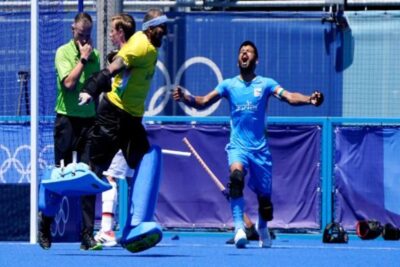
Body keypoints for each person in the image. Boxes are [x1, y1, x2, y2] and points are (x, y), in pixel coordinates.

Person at [172, 40, 324, 249]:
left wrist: (308, 99)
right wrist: (186, 97)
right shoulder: (228, 85)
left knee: (265, 203)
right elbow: (203, 101)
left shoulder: (266, 84)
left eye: (249, 52)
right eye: (241, 51)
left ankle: (262, 229)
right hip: (238, 147)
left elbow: (289, 97)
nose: (244, 54)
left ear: (256, 59)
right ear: (238, 59)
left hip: (260, 151)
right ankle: (239, 229)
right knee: (236, 179)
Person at [79, 8, 168, 252]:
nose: (166, 32)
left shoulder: (150, 46)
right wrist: (91, 88)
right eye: (163, 27)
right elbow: (112, 69)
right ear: (151, 28)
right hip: (113, 115)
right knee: (94, 171)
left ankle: (134, 226)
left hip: (131, 118)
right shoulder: (139, 45)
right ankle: (88, 232)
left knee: (147, 158)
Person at [38, 12, 102, 250]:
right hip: (66, 122)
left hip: (88, 123)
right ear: (72, 30)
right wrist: (83, 60)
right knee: (59, 180)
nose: (84, 41)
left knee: (88, 178)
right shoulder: (63, 52)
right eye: (80, 35)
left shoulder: (95, 56)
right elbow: (69, 84)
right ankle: (45, 224)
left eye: (87, 36)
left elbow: (97, 85)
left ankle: (87, 235)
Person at [93, 13, 136, 247]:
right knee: (127, 179)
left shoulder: (126, 56)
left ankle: (108, 230)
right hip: (127, 122)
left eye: (112, 30)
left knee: (110, 176)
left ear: (121, 32)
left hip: (119, 122)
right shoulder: (131, 54)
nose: (109, 34)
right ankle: (131, 229)